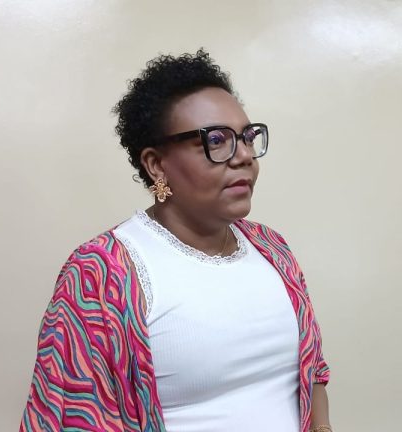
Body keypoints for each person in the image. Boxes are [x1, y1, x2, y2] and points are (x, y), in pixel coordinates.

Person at [19, 49, 332, 432]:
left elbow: (313, 371)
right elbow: (71, 414)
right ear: (156, 165)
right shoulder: (100, 274)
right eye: (216, 140)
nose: (245, 157)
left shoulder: (272, 249)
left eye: (247, 137)